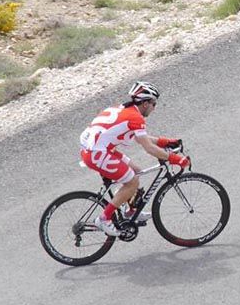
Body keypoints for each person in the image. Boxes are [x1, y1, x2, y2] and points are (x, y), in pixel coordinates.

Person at [78, 81, 189, 237]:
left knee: (136, 171)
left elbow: (141, 137)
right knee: (132, 182)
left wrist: (165, 141)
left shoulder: (124, 110)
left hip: (96, 149)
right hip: (97, 153)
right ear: (145, 103)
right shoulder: (135, 117)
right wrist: (176, 159)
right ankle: (104, 218)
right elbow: (148, 148)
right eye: (154, 104)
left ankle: (130, 211)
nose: (154, 108)